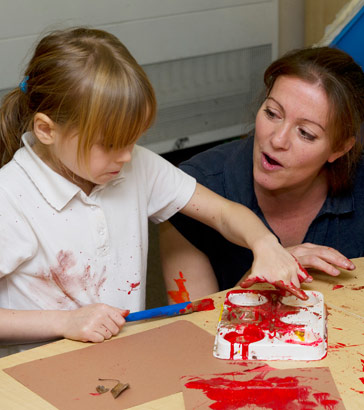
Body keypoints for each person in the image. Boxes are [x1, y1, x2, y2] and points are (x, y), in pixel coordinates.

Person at [0, 27, 305, 357]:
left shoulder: (135, 167)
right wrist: (66, 323)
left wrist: (265, 243)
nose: (127, 156)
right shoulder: (11, 197)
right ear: (46, 130)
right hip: (35, 380)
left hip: (122, 362)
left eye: (133, 139)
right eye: (111, 144)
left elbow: (222, 212)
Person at [160, 46, 364, 302]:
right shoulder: (192, 189)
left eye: (306, 133)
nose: (277, 139)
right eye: (272, 113)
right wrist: (259, 282)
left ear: (340, 148)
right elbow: (188, 333)